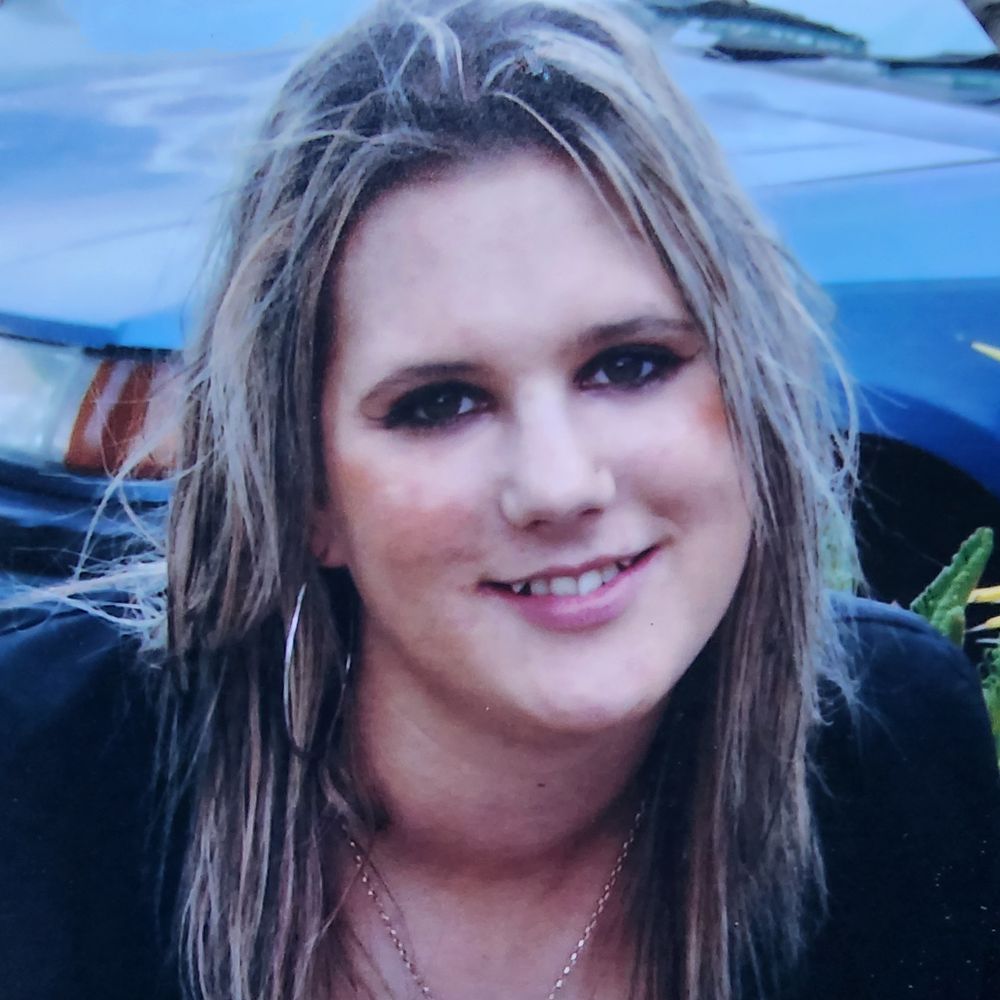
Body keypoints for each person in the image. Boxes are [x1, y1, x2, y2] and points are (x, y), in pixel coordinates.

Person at [1, 1, 998, 999]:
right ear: (306, 494)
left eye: (630, 364)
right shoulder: (50, 779)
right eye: (439, 403)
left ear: (752, 399)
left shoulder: (890, 755)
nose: (559, 484)